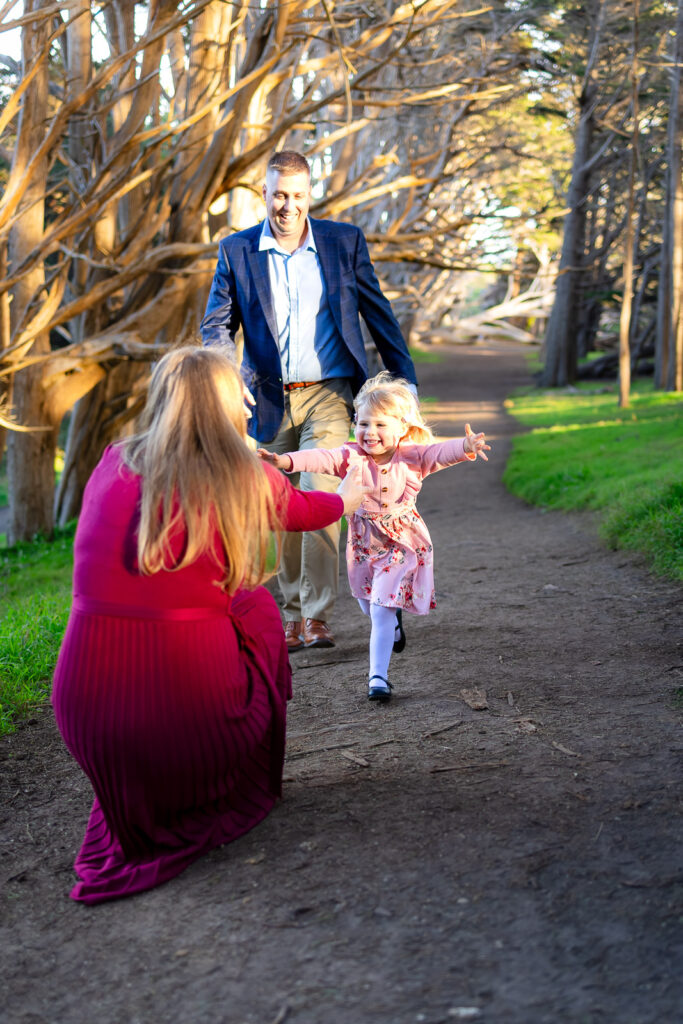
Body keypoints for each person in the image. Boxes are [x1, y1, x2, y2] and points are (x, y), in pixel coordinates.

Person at [51, 346, 367, 904]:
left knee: (228, 601)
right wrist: (349, 497)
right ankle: (218, 771)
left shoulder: (113, 459)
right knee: (258, 609)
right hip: (183, 725)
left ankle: (153, 774)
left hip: (85, 717)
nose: (250, 406)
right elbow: (308, 512)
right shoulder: (241, 475)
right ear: (228, 402)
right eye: (241, 394)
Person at [200, 149, 417, 653]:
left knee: (320, 494)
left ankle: (315, 616)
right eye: (279, 195)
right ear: (264, 194)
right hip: (267, 399)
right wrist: (226, 376)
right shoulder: (236, 251)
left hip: (330, 395)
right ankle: (292, 614)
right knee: (280, 504)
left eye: (297, 196)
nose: (288, 206)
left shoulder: (343, 242)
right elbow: (216, 325)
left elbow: (378, 315)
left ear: (308, 196)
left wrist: (405, 383)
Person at [258, 372, 490, 702]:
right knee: (368, 605)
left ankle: (377, 678)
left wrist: (465, 446)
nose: (370, 432)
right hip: (363, 548)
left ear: (402, 429)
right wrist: (284, 460)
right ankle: (393, 625)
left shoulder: (413, 457)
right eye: (364, 423)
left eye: (381, 425)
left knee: (380, 609)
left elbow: (440, 452)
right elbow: (321, 458)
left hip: (401, 545)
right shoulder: (351, 456)